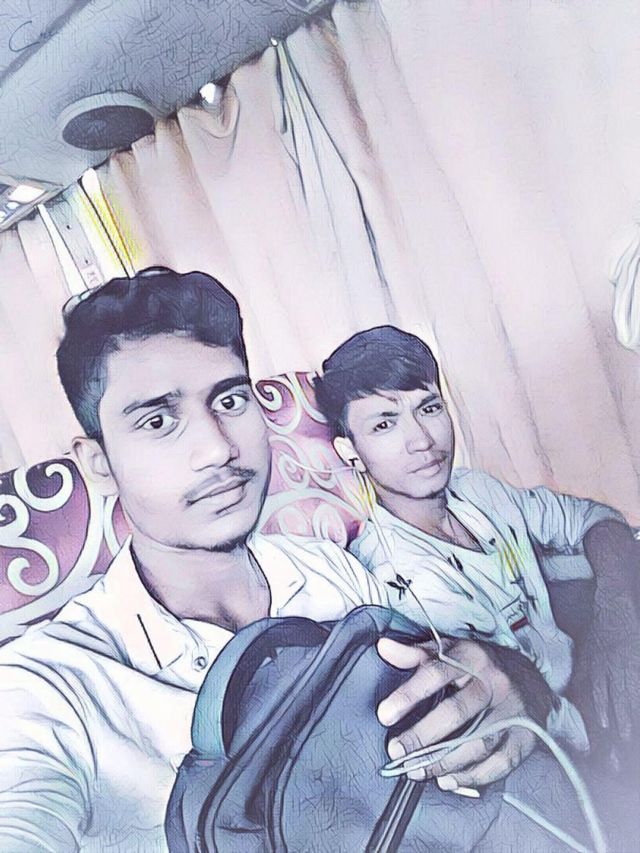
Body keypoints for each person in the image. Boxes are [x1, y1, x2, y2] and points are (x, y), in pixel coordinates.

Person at [0, 271, 554, 852]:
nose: (218, 448)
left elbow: (452, 683)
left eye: (229, 401)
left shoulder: (331, 572)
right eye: (158, 421)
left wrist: (509, 679)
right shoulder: (46, 687)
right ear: (100, 464)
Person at [314, 324, 640, 782]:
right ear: (350, 451)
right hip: (566, 755)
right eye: (385, 424)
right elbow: (536, 715)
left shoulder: (477, 491)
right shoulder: (394, 577)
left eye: (429, 408)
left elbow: (596, 520)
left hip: (596, 684)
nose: (422, 439)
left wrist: (618, 617)